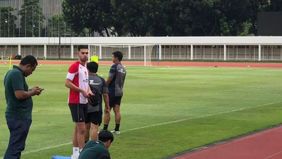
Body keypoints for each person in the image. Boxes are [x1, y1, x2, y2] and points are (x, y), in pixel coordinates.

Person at [3, 55, 43, 159]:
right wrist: (33, 92)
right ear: (28, 66)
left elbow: (17, 92)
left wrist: (30, 90)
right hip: (19, 117)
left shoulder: (12, 73)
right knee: (15, 148)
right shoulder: (16, 74)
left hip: (16, 116)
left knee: (17, 146)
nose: (31, 73)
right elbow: (19, 95)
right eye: (32, 70)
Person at [65, 45, 90, 159]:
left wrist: (89, 92)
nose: (85, 55)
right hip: (76, 101)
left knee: (78, 128)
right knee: (82, 129)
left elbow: (86, 84)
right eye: (83, 53)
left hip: (84, 101)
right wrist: (81, 90)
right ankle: (82, 154)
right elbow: (67, 82)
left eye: (86, 53)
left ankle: (75, 154)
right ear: (78, 54)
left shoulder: (85, 68)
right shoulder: (74, 66)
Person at [85, 61, 110, 142]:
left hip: (84, 106)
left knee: (86, 126)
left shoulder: (84, 79)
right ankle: (93, 146)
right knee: (94, 127)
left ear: (87, 69)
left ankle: (84, 146)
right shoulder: (101, 80)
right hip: (96, 107)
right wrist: (107, 106)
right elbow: (105, 94)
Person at [103, 51, 126, 134]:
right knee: (117, 110)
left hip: (112, 91)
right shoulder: (123, 68)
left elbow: (110, 78)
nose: (112, 58)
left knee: (107, 109)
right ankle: (117, 129)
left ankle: (104, 129)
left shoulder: (114, 66)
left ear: (116, 58)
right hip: (119, 91)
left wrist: (104, 86)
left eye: (112, 57)